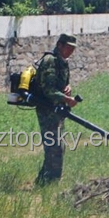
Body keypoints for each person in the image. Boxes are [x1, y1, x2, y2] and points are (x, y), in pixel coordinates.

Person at [35, 33, 79, 186]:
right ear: (59, 45)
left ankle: (48, 181)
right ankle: (47, 182)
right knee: (53, 148)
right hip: (47, 111)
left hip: (58, 111)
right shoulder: (50, 61)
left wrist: (68, 88)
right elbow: (48, 90)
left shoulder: (63, 62)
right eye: (68, 47)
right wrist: (68, 99)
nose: (70, 51)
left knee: (58, 148)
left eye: (73, 49)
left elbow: (62, 84)